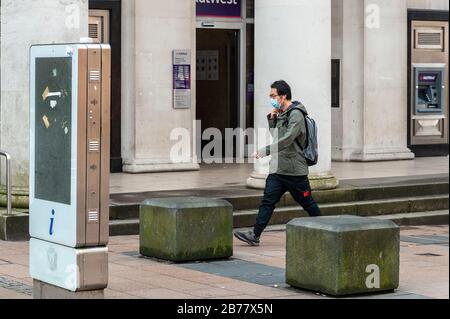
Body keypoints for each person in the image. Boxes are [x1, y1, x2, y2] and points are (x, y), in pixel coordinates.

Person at [234, 80, 321, 246]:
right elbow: (277, 136)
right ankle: (255, 235)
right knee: (268, 201)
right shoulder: (282, 112)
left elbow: (287, 139)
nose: (271, 99)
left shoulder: (296, 114)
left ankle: (329, 228)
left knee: (307, 202)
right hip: (278, 170)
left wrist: (263, 151)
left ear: (283, 96)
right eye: (271, 96)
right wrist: (272, 119)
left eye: (273, 96)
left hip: (295, 171)